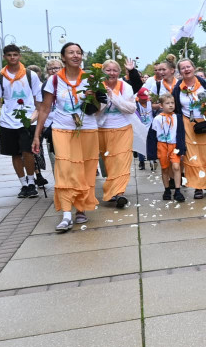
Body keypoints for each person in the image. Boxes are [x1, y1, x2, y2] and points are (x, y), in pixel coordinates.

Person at [32, 42, 101, 232]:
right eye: (71, 52)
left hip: (87, 128)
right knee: (64, 168)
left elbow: (98, 108)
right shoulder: (54, 81)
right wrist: (36, 135)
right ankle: (66, 214)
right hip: (62, 129)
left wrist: (92, 96)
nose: (75, 55)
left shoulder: (91, 78)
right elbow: (44, 109)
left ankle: (81, 209)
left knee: (85, 169)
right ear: (63, 57)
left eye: (79, 52)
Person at [0, 44, 43, 198]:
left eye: (15, 55)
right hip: (8, 120)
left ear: (19, 56)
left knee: (28, 152)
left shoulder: (30, 75)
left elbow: (37, 100)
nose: (12, 58)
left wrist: (35, 116)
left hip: (27, 119)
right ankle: (23, 184)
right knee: (15, 154)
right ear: (4, 57)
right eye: (9, 55)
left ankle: (32, 182)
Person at [172, 58, 206, 199]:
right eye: (183, 68)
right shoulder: (178, 88)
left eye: (188, 66)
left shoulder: (205, 83)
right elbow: (175, 107)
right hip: (187, 123)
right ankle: (197, 187)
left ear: (193, 68)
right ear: (180, 72)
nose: (186, 69)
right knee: (192, 156)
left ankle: (205, 182)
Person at [96, 60, 136, 209]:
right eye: (108, 70)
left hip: (123, 128)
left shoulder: (126, 87)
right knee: (109, 162)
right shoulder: (97, 86)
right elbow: (94, 111)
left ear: (119, 72)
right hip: (103, 129)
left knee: (121, 160)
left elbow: (131, 108)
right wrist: (100, 100)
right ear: (103, 72)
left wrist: (113, 96)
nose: (111, 73)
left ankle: (119, 193)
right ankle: (114, 190)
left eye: (115, 70)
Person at [150, 94, 186, 202]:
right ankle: (167, 190)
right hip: (162, 146)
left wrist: (182, 148)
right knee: (165, 168)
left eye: (172, 103)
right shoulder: (157, 119)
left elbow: (181, 133)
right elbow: (152, 136)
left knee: (176, 166)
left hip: (174, 146)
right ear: (161, 105)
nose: (170, 105)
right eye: (167, 103)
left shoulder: (178, 117)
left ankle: (178, 190)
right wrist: (152, 152)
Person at [42, 59, 62, 171]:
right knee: (54, 154)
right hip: (50, 124)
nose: (54, 71)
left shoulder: (66, 83)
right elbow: (41, 107)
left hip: (66, 123)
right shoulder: (45, 85)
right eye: (51, 69)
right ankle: (58, 179)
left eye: (57, 68)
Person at [134, 87, 156, 171]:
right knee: (141, 144)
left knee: (151, 145)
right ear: (138, 97)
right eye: (142, 99)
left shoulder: (150, 102)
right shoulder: (135, 104)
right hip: (140, 126)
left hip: (151, 126)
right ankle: (141, 161)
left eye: (145, 99)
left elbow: (156, 108)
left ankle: (152, 160)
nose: (144, 100)